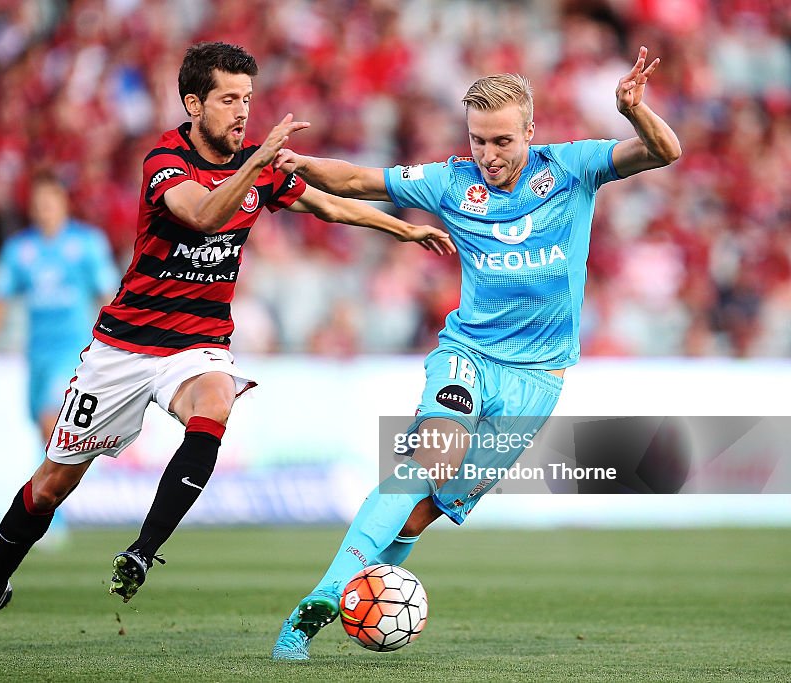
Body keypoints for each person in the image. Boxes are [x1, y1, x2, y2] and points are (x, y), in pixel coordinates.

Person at [0, 41, 452, 651]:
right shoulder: (165, 160)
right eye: (229, 100)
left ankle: (144, 552)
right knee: (50, 485)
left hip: (198, 345)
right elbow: (202, 216)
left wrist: (404, 228)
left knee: (216, 401)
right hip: (123, 349)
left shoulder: (255, 167)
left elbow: (330, 205)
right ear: (193, 103)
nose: (240, 112)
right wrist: (256, 164)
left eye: (248, 100)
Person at [271, 46, 681, 660]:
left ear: (529, 132)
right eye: (478, 141)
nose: (487, 156)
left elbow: (664, 152)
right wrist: (296, 165)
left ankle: (361, 587)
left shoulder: (570, 169)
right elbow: (358, 180)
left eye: (500, 141)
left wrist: (634, 111)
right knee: (426, 465)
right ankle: (318, 604)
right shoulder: (450, 181)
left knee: (418, 517)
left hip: (537, 380)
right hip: (468, 355)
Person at [0, 171, 119, 444]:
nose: (44, 209)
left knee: (51, 418)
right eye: (38, 203)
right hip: (36, 351)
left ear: (63, 202)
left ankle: (52, 486)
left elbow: (107, 294)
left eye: (49, 201)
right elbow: (0, 296)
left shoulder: (87, 243)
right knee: (42, 423)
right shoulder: (19, 249)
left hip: (74, 348)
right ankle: (58, 481)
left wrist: (117, 339)